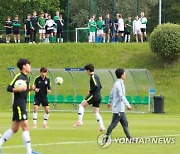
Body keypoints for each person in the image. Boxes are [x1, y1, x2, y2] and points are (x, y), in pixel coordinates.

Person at [0, 58, 39, 154]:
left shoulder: (26, 78)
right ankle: (29, 151)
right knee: (25, 126)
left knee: (14, 128)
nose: (30, 67)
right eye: (28, 65)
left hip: (22, 104)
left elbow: (24, 90)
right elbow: (9, 88)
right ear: (24, 66)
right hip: (19, 105)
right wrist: (18, 89)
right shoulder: (19, 76)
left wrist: (30, 88)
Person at [103, 68, 132, 143]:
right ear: (122, 75)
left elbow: (111, 93)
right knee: (113, 124)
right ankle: (106, 137)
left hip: (120, 109)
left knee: (125, 123)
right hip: (118, 109)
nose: (125, 75)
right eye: (124, 74)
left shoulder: (116, 83)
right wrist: (128, 105)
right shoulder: (120, 84)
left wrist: (109, 102)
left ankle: (130, 139)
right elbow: (122, 95)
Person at [74, 64, 105, 131]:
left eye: (86, 70)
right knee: (96, 112)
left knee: (81, 105)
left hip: (94, 96)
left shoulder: (93, 77)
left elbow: (96, 86)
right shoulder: (97, 76)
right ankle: (102, 126)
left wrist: (90, 91)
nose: (86, 72)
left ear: (88, 70)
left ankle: (80, 121)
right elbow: (100, 86)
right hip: (99, 96)